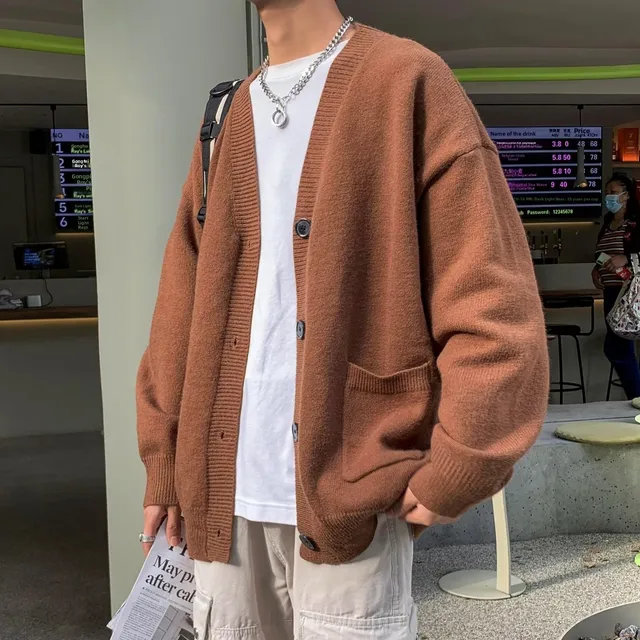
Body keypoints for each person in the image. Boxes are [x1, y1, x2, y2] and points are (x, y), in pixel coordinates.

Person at [136, 1, 549, 637]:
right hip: (221, 500)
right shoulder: (226, 113)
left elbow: (490, 297)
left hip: (353, 492)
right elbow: (180, 302)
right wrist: (165, 459)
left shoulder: (406, 80)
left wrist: (464, 458)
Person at [593, 173, 640, 400]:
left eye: (613, 192)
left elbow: (627, 255)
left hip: (629, 294)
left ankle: (636, 397)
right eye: (607, 192)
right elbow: (603, 254)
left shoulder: (635, 223)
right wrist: (597, 268)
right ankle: (635, 397)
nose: (609, 197)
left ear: (626, 195)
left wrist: (627, 258)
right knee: (619, 347)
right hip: (610, 292)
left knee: (617, 347)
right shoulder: (607, 224)